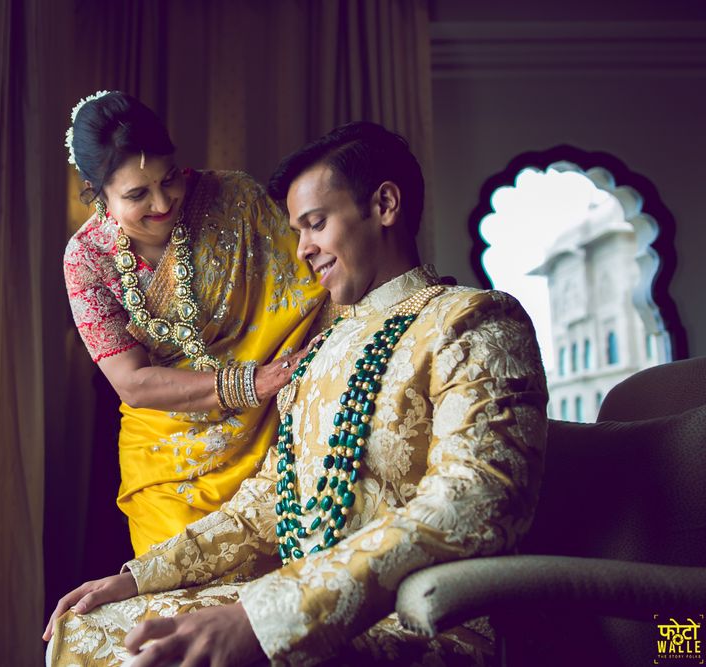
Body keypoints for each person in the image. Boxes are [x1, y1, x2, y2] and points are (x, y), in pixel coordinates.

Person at [44, 120, 549, 666]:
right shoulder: (325, 348)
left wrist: (268, 616)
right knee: (91, 628)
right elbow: (270, 502)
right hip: (307, 604)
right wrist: (136, 577)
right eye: (298, 230)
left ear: (383, 205)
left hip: (419, 620)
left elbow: (477, 500)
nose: (301, 249)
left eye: (315, 224)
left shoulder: (471, 320)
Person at [63, 91, 327, 556]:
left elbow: (316, 281)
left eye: (169, 179)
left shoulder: (235, 199)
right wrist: (250, 383)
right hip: (167, 462)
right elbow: (133, 383)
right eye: (136, 194)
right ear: (96, 192)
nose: (163, 202)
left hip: (272, 429)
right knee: (177, 601)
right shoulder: (86, 259)